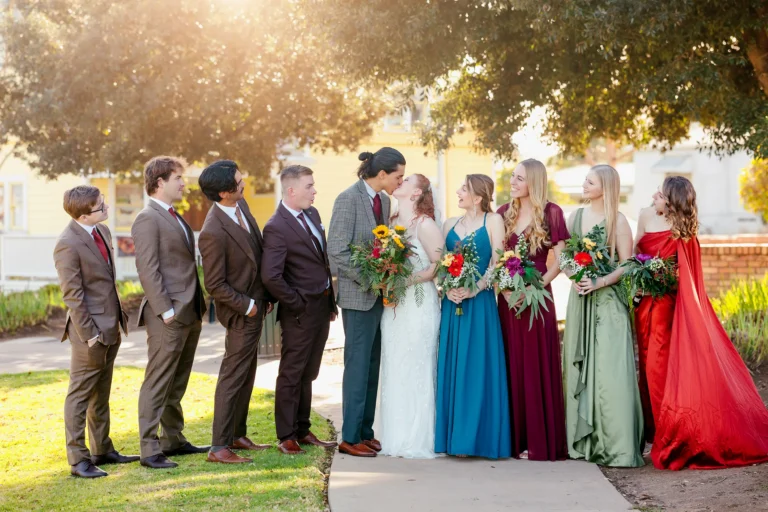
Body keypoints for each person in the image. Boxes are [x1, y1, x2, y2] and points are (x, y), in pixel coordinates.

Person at [635, 176, 768, 470]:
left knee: (660, 371)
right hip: (643, 306)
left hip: (669, 311)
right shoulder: (645, 215)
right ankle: (655, 431)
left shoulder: (685, 236)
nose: (654, 193)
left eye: (661, 192)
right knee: (647, 369)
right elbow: (634, 257)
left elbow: (689, 282)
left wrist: (662, 280)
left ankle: (673, 438)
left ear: (671, 200)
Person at [561, 165, 644, 468]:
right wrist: (575, 275)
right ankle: (583, 444)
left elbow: (630, 264)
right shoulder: (576, 217)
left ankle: (616, 447)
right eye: (585, 179)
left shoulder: (618, 220)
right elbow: (564, 256)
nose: (584, 184)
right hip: (580, 300)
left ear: (605, 187)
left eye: (590, 181)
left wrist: (600, 281)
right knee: (577, 368)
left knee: (610, 373)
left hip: (608, 303)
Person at [54, 186, 137, 478]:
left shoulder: (102, 232)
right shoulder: (67, 243)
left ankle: (102, 448)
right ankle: (78, 460)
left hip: (111, 326)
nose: (107, 209)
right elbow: (73, 295)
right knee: (79, 396)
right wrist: (90, 334)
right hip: (88, 333)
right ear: (84, 213)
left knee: (101, 394)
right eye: (101, 206)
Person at [328, 147, 405, 457]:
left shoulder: (384, 201)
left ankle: (365, 431)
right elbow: (336, 250)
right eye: (398, 176)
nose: (401, 181)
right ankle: (349, 438)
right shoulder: (347, 199)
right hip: (358, 295)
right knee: (357, 366)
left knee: (372, 364)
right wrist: (372, 279)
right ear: (382, 174)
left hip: (378, 295)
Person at [132, 156, 208, 469]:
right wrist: (165, 310)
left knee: (177, 381)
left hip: (190, 310)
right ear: (160, 181)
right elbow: (147, 269)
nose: (184, 182)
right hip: (169, 314)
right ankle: (150, 449)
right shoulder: (147, 218)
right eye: (178, 177)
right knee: (158, 381)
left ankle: (173, 439)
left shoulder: (174, 215)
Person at [197, 160, 275, 464]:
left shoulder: (241, 208)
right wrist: (249, 305)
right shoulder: (212, 230)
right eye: (239, 182)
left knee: (247, 373)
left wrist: (264, 296)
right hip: (242, 313)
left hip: (257, 306)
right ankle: (219, 447)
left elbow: (255, 252)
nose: (244, 184)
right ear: (224, 193)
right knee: (232, 376)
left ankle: (237, 435)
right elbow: (214, 284)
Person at [262, 165, 339, 455]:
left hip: (321, 307)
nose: (314, 190)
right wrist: (297, 302)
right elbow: (271, 276)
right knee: (292, 373)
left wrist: (328, 303)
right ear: (291, 190)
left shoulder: (313, 215)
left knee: (309, 372)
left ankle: (304, 430)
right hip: (299, 311)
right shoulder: (276, 226)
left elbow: (321, 263)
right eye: (309, 186)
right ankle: (286, 436)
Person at [434, 174, 511, 459]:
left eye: (463, 189)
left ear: (478, 197)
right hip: (453, 305)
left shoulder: (493, 222)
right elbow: (441, 263)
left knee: (477, 367)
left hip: (479, 306)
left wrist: (475, 288)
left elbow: (498, 262)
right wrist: (447, 288)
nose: (458, 192)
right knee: (454, 366)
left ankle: (478, 438)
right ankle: (455, 439)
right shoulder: (448, 225)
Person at [496, 159, 569, 461]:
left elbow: (562, 259)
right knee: (511, 363)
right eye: (512, 177)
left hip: (538, 299)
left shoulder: (552, 212)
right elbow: (497, 257)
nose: (513, 182)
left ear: (534, 182)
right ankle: (514, 440)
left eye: (519, 178)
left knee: (536, 364)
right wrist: (507, 289)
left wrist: (537, 286)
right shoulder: (502, 213)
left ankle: (539, 440)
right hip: (509, 299)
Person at [376, 174, 443, 458]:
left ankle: (418, 437)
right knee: (394, 363)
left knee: (417, 364)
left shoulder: (426, 225)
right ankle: (393, 435)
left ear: (416, 193)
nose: (398, 183)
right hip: (394, 307)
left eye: (406, 181)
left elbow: (438, 267)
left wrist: (405, 281)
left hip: (418, 305)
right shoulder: (390, 224)